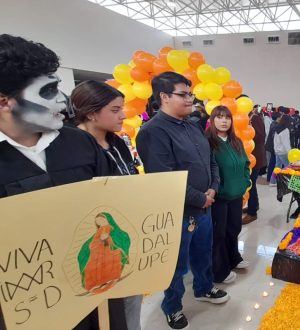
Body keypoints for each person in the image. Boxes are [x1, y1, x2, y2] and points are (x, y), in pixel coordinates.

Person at [0, 34, 124, 330]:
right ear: (4, 101)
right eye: (48, 90)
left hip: (96, 287)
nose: (63, 101)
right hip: (26, 305)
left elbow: (115, 202)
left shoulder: (80, 143)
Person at [136, 72, 229, 330]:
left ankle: (204, 287)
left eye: (191, 94)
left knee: (203, 253)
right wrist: (200, 198)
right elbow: (163, 176)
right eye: (184, 94)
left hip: (204, 206)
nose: (190, 99)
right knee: (175, 264)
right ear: (164, 97)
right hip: (179, 211)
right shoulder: (152, 131)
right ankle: (173, 306)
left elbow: (210, 160)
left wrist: (213, 187)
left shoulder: (192, 124)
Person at [71, 80, 142, 329]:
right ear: (90, 112)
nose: (123, 115)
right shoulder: (72, 148)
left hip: (125, 231)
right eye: (115, 110)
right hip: (97, 245)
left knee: (132, 297)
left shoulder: (118, 142)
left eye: (122, 108)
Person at [206, 105, 251, 283]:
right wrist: (219, 188)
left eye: (227, 117)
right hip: (219, 197)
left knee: (234, 228)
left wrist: (245, 181)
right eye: (219, 117)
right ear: (212, 120)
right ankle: (219, 269)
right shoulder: (208, 142)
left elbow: (246, 163)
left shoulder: (235, 141)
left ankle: (233, 258)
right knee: (219, 233)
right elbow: (208, 170)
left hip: (236, 195)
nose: (224, 121)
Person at [243, 107, 267, 225]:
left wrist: (246, 131)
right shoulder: (248, 118)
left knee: (250, 184)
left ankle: (252, 213)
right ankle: (254, 205)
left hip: (255, 157)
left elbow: (260, 136)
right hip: (251, 156)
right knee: (252, 184)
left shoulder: (254, 118)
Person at [265, 111, 281, 186]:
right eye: (280, 117)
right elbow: (274, 137)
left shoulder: (273, 124)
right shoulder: (275, 125)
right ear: (278, 118)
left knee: (272, 162)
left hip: (272, 146)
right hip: (273, 147)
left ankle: (270, 178)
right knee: (274, 163)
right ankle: (272, 179)